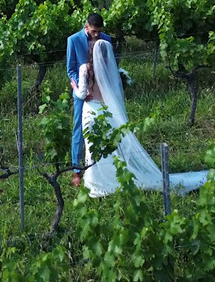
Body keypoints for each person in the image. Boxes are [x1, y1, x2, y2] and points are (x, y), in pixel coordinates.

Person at [71, 39, 165, 197]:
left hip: (90, 111)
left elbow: (81, 94)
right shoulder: (110, 71)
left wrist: (74, 86)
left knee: (91, 145)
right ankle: (110, 176)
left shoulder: (84, 68)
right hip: (105, 112)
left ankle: (94, 182)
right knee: (106, 146)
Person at [66, 13, 112, 187]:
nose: (96, 35)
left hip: (100, 93)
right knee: (79, 128)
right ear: (86, 26)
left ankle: (102, 166)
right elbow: (70, 69)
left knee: (103, 126)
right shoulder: (73, 40)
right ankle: (77, 169)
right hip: (82, 93)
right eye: (94, 31)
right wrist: (82, 89)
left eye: (99, 32)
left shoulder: (106, 40)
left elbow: (109, 67)